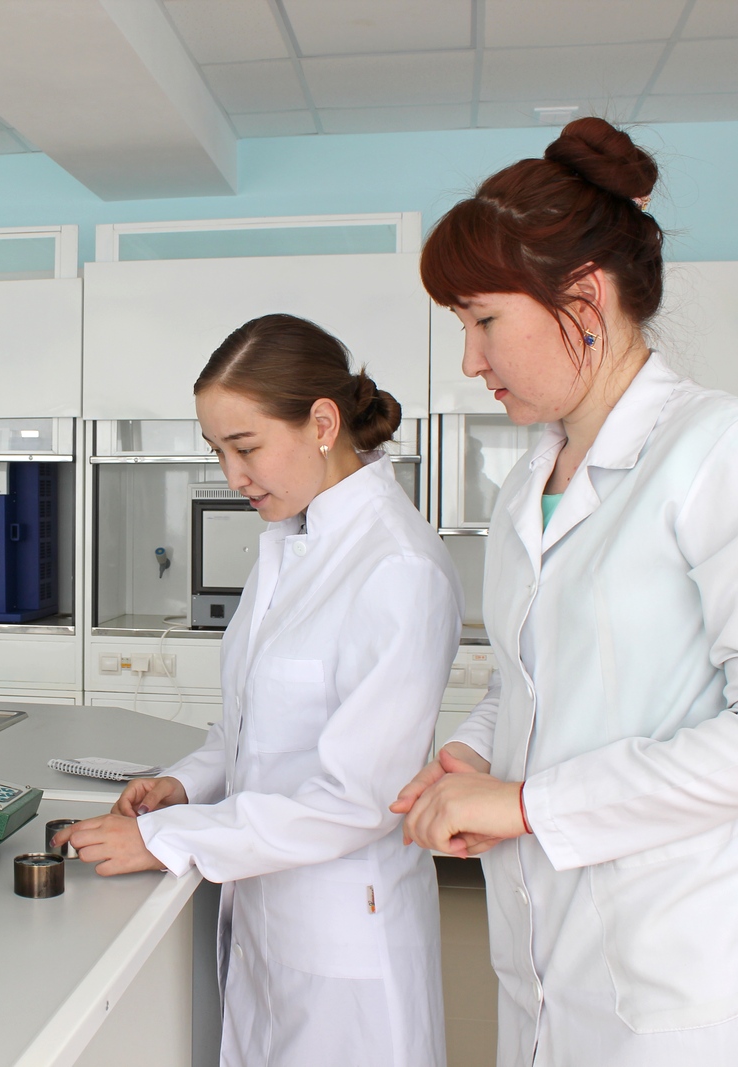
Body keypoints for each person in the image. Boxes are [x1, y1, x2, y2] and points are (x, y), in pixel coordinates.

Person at [391, 117, 738, 1066]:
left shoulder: (722, 452)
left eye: (483, 321)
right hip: (545, 956)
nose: (470, 361)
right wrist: (473, 751)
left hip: (681, 970)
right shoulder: (530, 481)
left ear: (585, 298)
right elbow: (528, 673)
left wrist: (528, 805)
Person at [54, 313, 462, 1066]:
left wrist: (165, 839)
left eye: (245, 447)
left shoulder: (396, 567)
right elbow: (252, 728)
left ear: (322, 424)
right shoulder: (291, 544)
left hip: (343, 936)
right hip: (268, 917)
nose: (232, 475)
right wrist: (185, 784)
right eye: (218, 451)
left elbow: (357, 799)